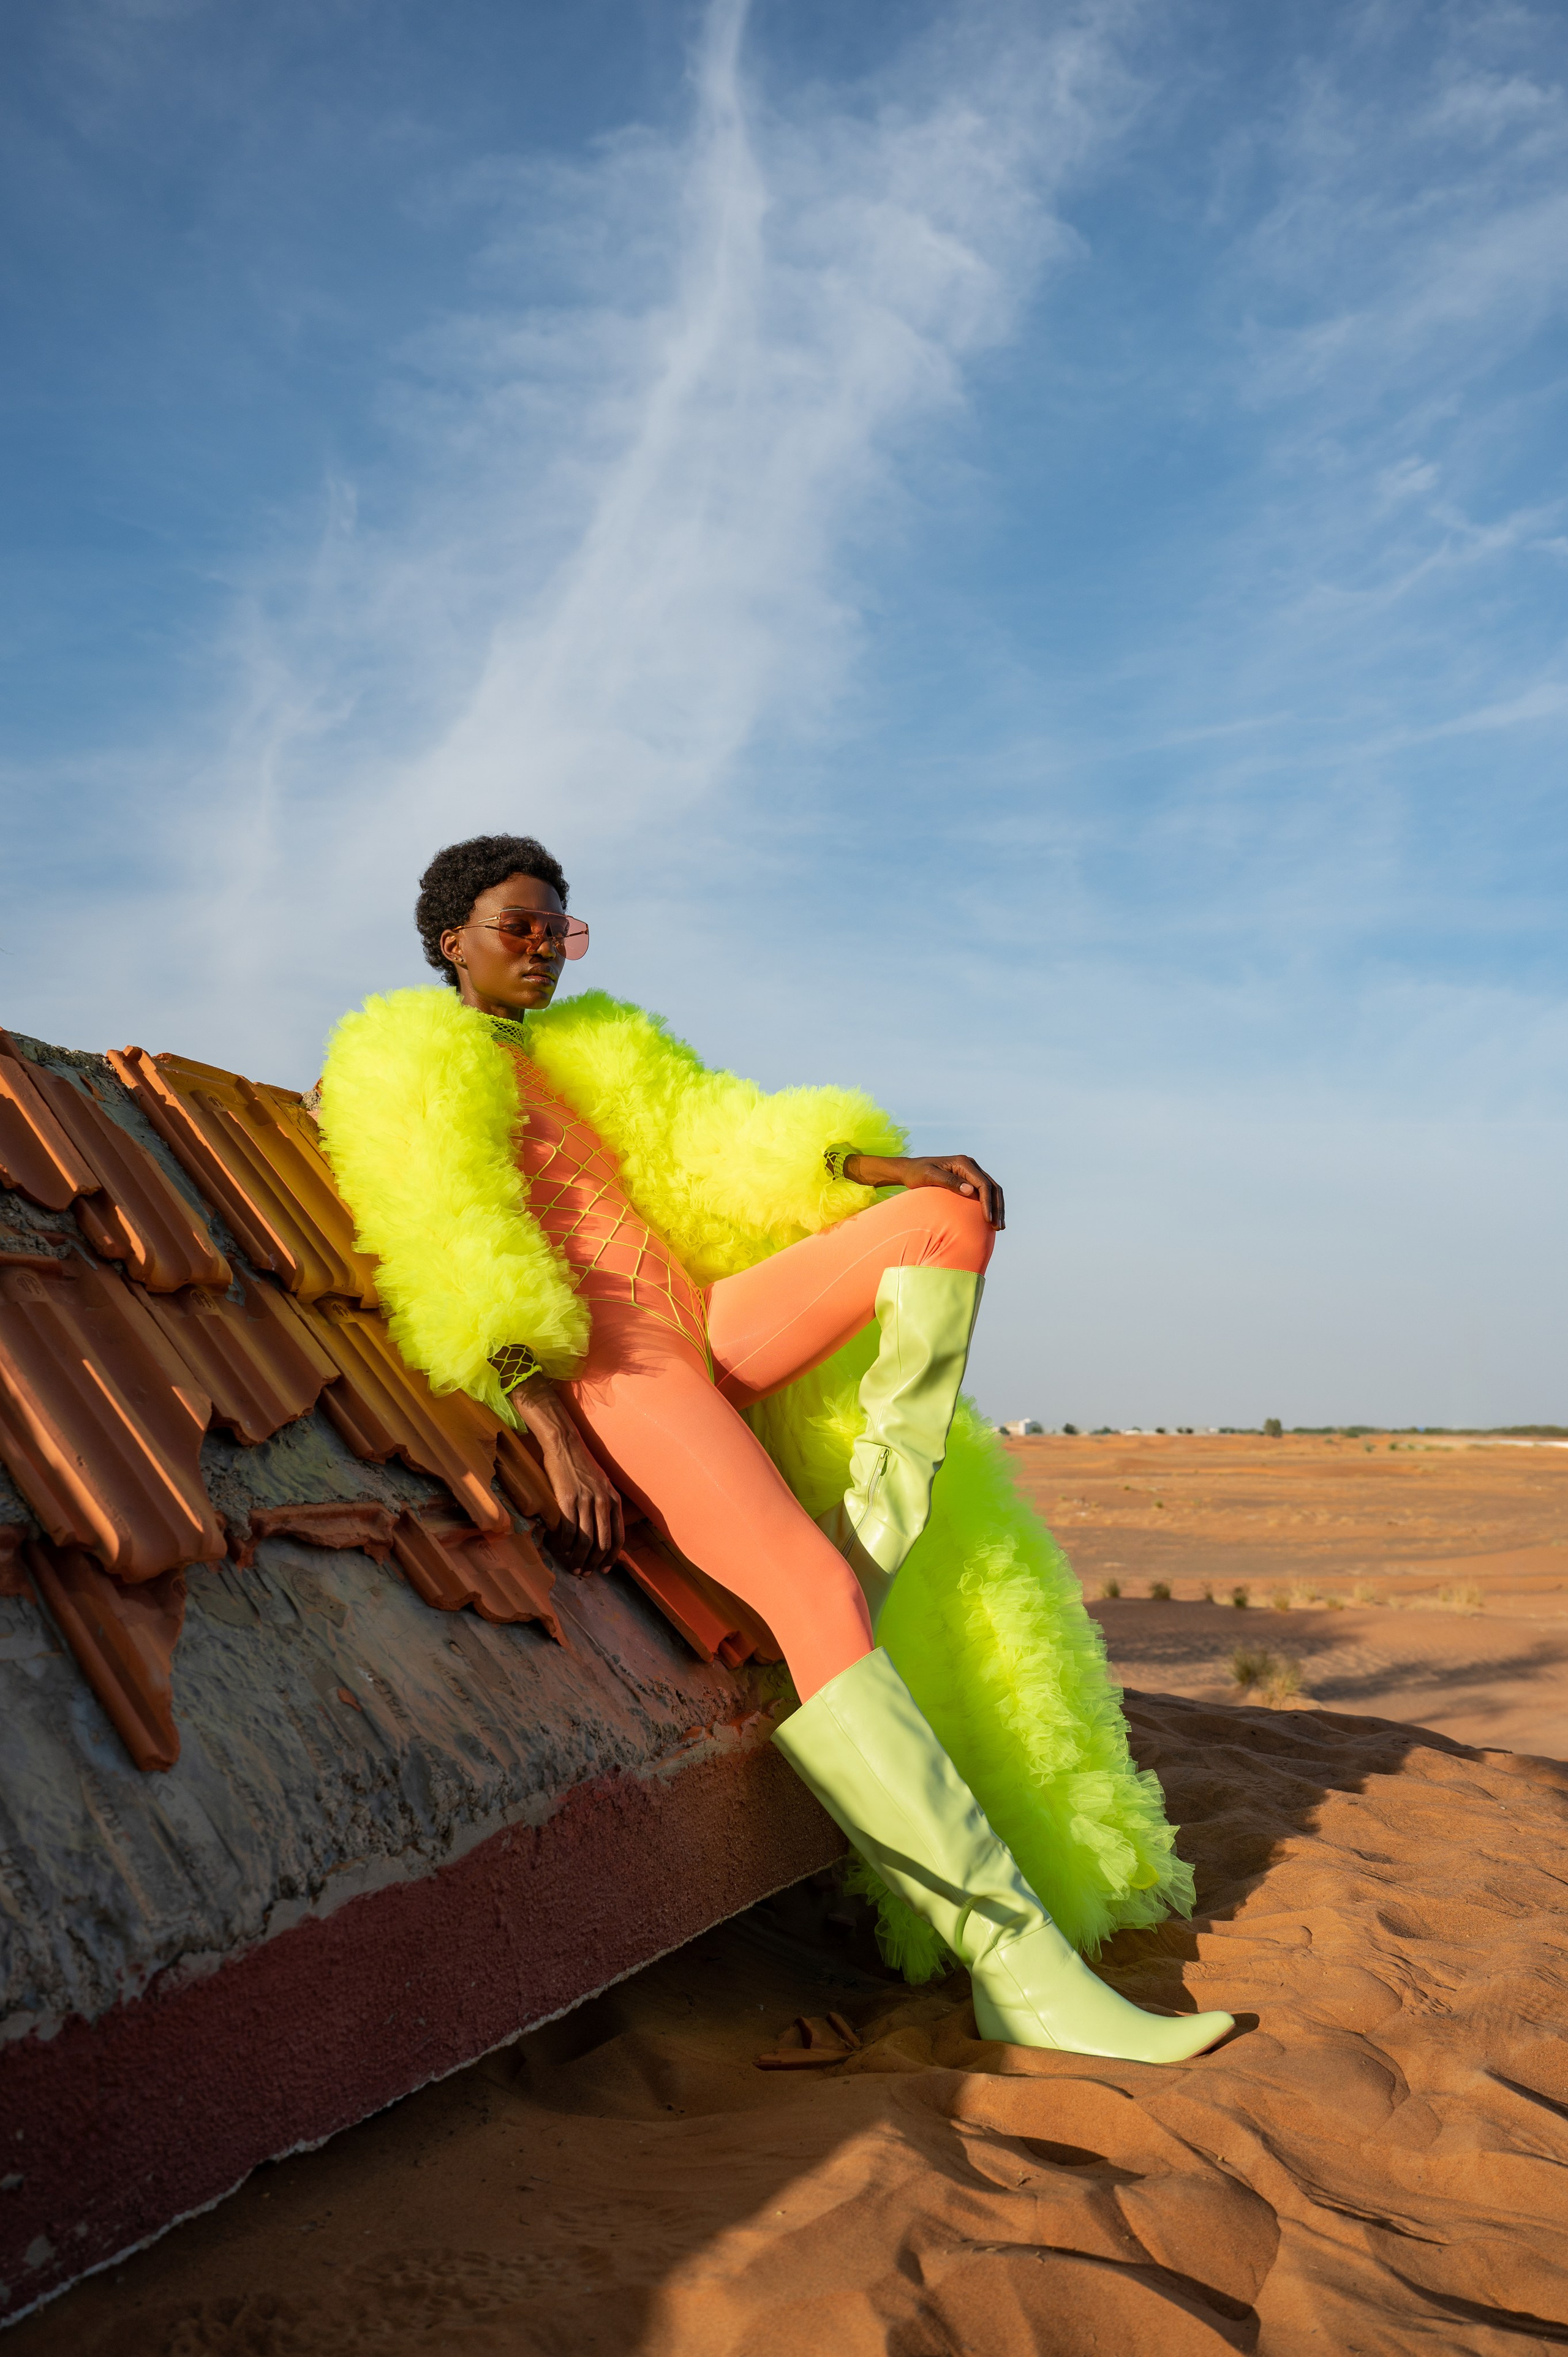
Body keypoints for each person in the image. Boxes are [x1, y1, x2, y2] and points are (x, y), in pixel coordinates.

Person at [320, 832, 1233, 2063]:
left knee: (941, 1219)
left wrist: (869, 1161)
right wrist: (552, 1425)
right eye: (520, 928)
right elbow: (441, 1230)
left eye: (561, 928)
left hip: (698, 1318)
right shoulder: (400, 1054)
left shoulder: (595, 1046)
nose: (545, 948)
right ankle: (1015, 1967)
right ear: (453, 943)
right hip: (609, 1359)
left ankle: (876, 1524)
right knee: (807, 1599)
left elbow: (719, 1132)